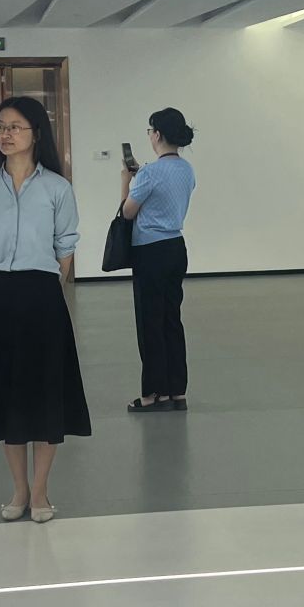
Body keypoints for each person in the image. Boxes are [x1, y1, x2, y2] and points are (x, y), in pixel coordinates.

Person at [0, 97, 92, 523]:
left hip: (43, 298)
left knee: (45, 394)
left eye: (15, 126)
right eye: (0, 126)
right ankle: (18, 490)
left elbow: (65, 246)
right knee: (9, 397)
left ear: (36, 133)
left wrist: (44, 285)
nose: (5, 134)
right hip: (0, 296)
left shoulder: (57, 188)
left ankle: (40, 492)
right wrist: (3, 276)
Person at [120, 107, 197, 413]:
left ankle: (153, 394)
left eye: (150, 131)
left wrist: (126, 180)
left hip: (150, 251)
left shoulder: (149, 173)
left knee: (150, 323)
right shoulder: (187, 169)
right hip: (176, 248)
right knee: (171, 320)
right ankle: (177, 391)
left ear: (158, 134)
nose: (150, 136)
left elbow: (128, 212)